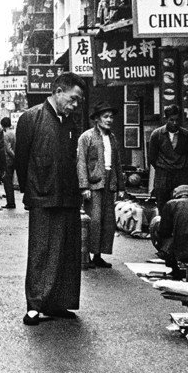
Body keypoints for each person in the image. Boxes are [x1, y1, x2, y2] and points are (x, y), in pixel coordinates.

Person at [15, 73, 87, 326]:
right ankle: (35, 305)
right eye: (73, 99)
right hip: (42, 194)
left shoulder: (70, 122)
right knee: (41, 250)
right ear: (58, 91)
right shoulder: (31, 118)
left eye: (79, 101)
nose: (75, 105)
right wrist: (30, 190)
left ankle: (59, 303)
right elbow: (21, 159)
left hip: (68, 195)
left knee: (67, 251)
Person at [77, 102, 123, 268]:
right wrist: (84, 186)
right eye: (105, 117)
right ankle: (86, 254)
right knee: (94, 220)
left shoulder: (113, 138)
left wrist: (121, 187)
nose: (109, 120)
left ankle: (98, 255)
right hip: (94, 183)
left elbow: (117, 162)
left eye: (111, 117)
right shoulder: (86, 137)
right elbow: (81, 162)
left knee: (107, 221)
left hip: (109, 182)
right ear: (97, 119)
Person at [147, 105, 188, 204]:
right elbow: (152, 157)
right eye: (171, 120)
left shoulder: (186, 134)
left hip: (181, 174)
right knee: (163, 204)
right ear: (166, 119)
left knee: (182, 204)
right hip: (163, 175)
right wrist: (162, 167)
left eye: (177, 120)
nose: (175, 123)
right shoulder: (157, 134)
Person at [0, 117, 17, 208]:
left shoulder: (6, 135)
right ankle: (11, 201)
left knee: (7, 183)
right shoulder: (14, 133)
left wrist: (14, 157)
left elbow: (8, 149)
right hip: (13, 161)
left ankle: (10, 202)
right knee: (10, 182)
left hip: (8, 161)